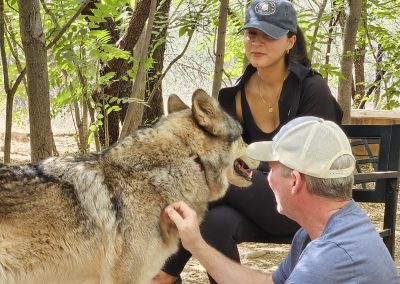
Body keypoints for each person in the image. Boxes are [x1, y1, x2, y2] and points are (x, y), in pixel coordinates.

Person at [153, 0, 343, 283]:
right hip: (251, 200)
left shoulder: (310, 88)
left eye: (269, 35)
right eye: (252, 33)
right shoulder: (232, 96)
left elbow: (315, 162)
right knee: (213, 223)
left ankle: (165, 273)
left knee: (213, 176)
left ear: (290, 41)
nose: (258, 42)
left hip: (303, 200)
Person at [163, 116, 400, 284]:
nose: (266, 178)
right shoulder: (323, 230)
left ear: (295, 181)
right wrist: (196, 244)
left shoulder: (327, 259)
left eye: (270, 169)